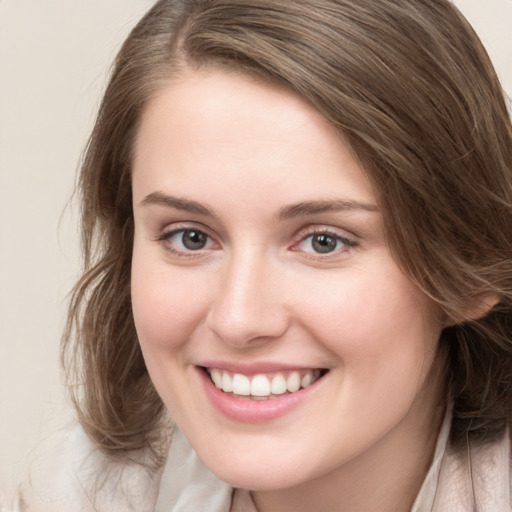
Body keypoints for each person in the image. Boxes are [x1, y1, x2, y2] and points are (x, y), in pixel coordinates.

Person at [20, 0, 512, 510]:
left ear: (472, 262)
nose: (238, 320)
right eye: (189, 237)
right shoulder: (73, 493)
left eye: (324, 241)